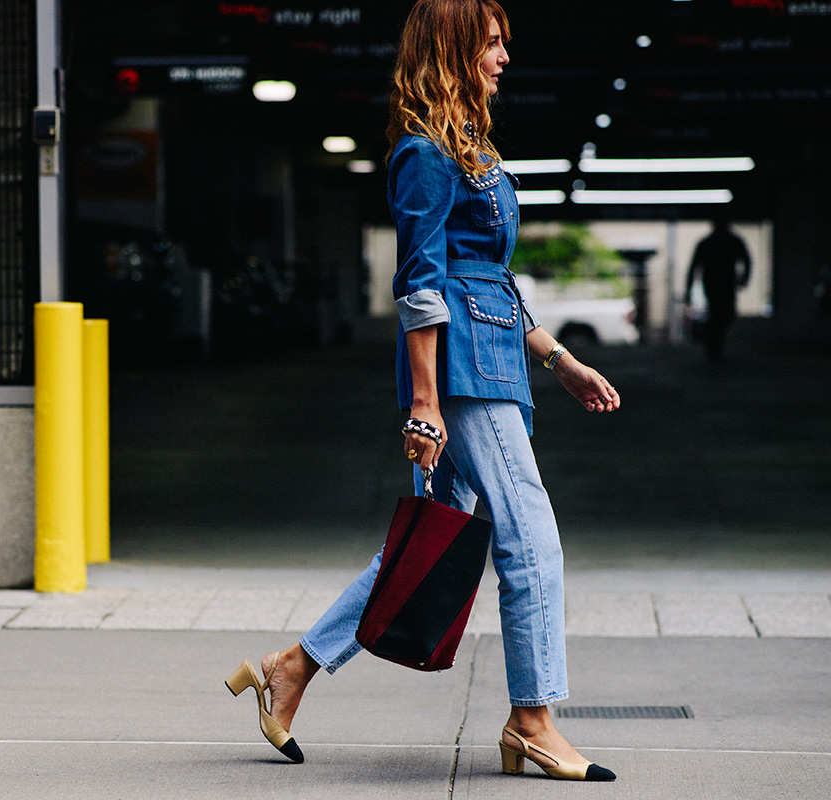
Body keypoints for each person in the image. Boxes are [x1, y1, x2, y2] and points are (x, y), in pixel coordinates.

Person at [224, 0, 621, 781]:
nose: (504, 58)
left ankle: (290, 668)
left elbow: (492, 279)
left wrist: (560, 360)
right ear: (453, 49)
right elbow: (422, 285)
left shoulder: (470, 145)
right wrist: (427, 403)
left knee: (428, 545)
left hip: (495, 360)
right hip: (462, 373)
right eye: (492, 44)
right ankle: (533, 719)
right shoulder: (425, 153)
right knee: (530, 537)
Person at [685, 219, 752, 362]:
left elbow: (694, 267)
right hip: (720, 284)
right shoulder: (729, 242)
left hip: (719, 283)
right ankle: (714, 346)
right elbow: (746, 260)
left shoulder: (710, 243)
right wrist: (744, 278)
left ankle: (715, 345)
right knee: (719, 314)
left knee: (722, 314)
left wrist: (688, 289)